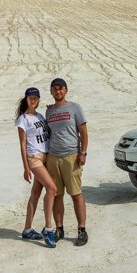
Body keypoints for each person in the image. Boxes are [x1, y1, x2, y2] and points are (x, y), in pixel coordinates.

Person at [45, 77, 89, 246]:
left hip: (71, 156)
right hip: (53, 157)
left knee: (76, 194)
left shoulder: (75, 108)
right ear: (51, 92)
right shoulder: (49, 111)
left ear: (66, 90)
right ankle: (59, 229)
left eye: (61, 88)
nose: (58, 91)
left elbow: (84, 132)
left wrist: (83, 152)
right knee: (56, 195)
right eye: (55, 89)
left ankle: (82, 230)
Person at [16, 87, 58, 248]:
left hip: (46, 156)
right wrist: (26, 167)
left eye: (36, 97)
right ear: (26, 99)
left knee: (36, 192)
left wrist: (51, 109)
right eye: (30, 97)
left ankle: (27, 229)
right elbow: (22, 144)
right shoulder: (23, 119)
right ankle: (49, 228)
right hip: (34, 158)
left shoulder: (40, 116)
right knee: (52, 189)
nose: (33, 100)